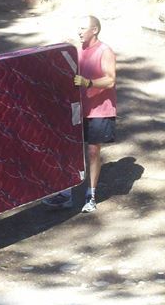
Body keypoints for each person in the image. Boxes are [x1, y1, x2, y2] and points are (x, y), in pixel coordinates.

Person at [43, 14, 117, 213]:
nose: (79, 31)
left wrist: (88, 83)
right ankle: (65, 194)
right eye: (78, 28)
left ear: (95, 30)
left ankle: (90, 196)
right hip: (78, 108)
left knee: (92, 151)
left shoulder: (105, 51)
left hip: (100, 110)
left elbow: (110, 80)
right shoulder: (77, 50)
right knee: (69, 149)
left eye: (83, 28)